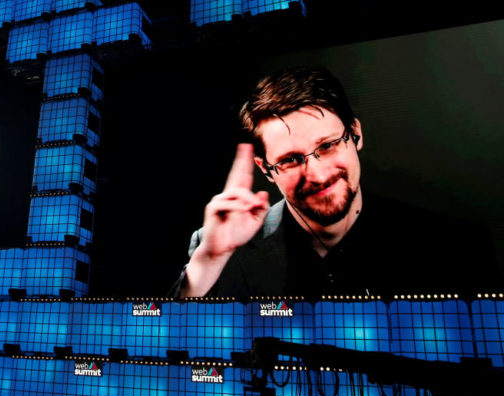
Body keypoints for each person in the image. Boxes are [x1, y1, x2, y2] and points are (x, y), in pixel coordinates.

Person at [172, 66, 500, 299]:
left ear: (355, 134)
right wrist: (209, 260)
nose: (316, 175)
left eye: (328, 145)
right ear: (267, 169)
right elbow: (174, 345)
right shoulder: (216, 248)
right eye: (290, 160)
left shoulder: (456, 246)